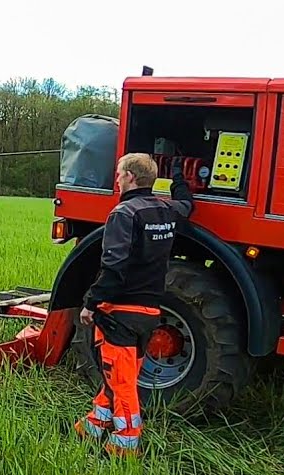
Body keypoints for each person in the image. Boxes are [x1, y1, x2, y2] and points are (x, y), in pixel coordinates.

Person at [73, 152, 194, 458]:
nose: (116, 178)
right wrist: (179, 177)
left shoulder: (124, 214)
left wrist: (91, 302)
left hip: (121, 311)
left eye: (118, 173)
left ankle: (125, 443)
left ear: (130, 177)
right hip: (150, 312)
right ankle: (93, 425)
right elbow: (187, 205)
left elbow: (114, 266)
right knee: (117, 375)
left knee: (123, 381)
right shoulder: (166, 210)